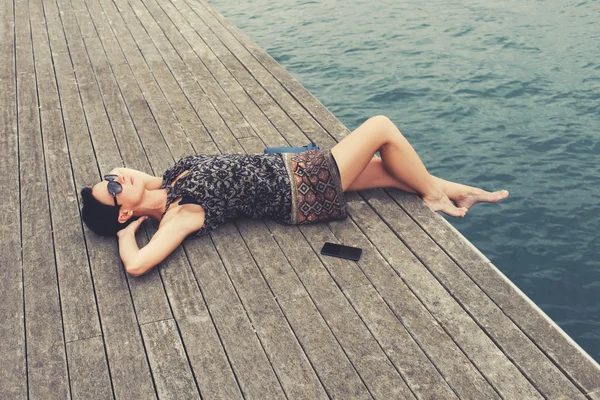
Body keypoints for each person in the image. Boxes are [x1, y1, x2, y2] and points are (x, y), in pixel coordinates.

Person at [81, 116, 508, 276]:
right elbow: (137, 266)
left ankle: (468, 194)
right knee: (380, 128)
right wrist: (125, 235)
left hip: (296, 169)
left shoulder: (165, 183)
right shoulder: (179, 216)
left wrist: (119, 191)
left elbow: (127, 171)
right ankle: (436, 197)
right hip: (301, 189)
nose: (119, 178)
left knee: (392, 173)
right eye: (114, 188)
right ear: (123, 213)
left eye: (111, 178)